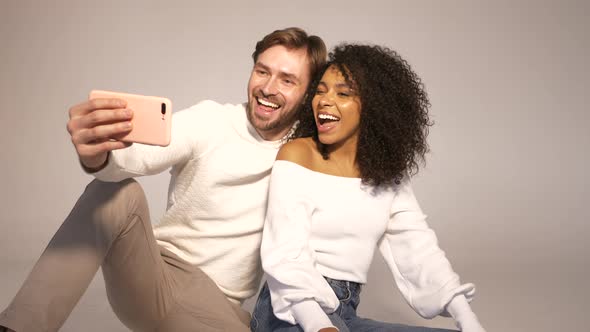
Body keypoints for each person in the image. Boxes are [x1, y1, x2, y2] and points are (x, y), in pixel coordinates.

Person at [0, 27, 327, 332]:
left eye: (287, 80)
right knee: (117, 192)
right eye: (262, 71)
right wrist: (98, 155)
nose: (268, 88)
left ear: (308, 93)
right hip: (157, 278)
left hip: (219, 307)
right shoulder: (212, 120)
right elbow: (136, 157)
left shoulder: (304, 152)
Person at [250, 44, 486, 332]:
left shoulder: (387, 175)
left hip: (345, 312)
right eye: (321, 91)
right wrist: (319, 326)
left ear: (374, 106)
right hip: (289, 311)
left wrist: (468, 320)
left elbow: (420, 252)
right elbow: (285, 252)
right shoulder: (298, 155)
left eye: (343, 93)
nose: (325, 100)